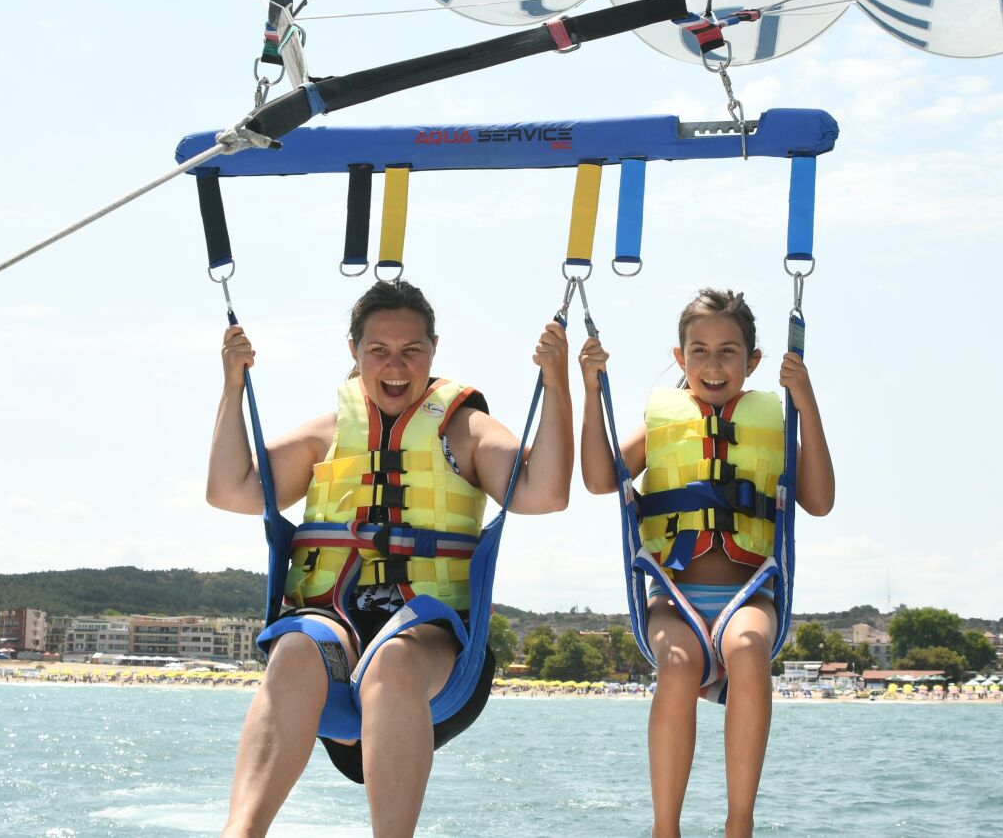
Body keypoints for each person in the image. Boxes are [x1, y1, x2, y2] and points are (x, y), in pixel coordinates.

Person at [208, 279, 572, 838]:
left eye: (412, 350)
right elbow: (230, 489)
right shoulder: (329, 432)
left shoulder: (464, 429)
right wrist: (232, 386)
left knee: (393, 662)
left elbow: (544, 492)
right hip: (334, 645)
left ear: (434, 349)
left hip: (434, 661)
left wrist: (556, 383)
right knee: (295, 649)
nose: (396, 365)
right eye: (378, 350)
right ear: (353, 353)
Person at [579, 288, 834, 838]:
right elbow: (601, 480)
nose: (713, 365)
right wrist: (590, 388)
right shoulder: (662, 424)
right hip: (674, 598)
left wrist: (805, 402)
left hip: (750, 594)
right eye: (699, 351)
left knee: (747, 649)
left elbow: (819, 501)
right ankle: (664, 827)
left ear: (753, 361)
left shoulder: (775, 421)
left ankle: (738, 823)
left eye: (728, 352)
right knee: (675, 665)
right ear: (680, 357)